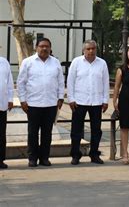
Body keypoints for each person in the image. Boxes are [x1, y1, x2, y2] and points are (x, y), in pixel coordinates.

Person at [17, 38, 64, 167]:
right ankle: (32, 158)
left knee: (47, 133)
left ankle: (44, 158)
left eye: (47, 46)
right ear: (36, 48)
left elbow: (60, 81)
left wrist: (60, 98)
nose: (44, 49)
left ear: (50, 48)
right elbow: (21, 82)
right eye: (42, 46)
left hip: (50, 104)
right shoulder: (28, 62)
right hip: (33, 104)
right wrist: (22, 100)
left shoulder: (55, 63)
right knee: (32, 133)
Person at [67, 40, 109, 165]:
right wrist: (71, 98)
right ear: (83, 50)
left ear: (96, 49)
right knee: (76, 130)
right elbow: (70, 81)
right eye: (88, 49)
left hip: (96, 102)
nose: (91, 51)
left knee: (96, 130)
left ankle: (94, 154)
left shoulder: (102, 63)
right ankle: (75, 154)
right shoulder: (76, 62)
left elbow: (105, 83)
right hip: (79, 101)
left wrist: (105, 100)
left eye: (93, 48)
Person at [0, 56, 14, 169]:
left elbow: (9, 83)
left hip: (2, 104)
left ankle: (0, 160)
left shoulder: (4, 62)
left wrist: (10, 99)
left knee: (1, 134)